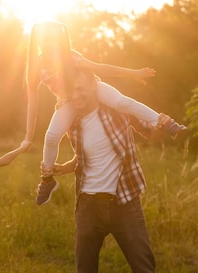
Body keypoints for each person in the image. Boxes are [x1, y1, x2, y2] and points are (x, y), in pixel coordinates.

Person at [24, 20, 187, 205]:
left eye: (53, 40)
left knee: (121, 102)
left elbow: (103, 68)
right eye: (46, 41)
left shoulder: (70, 56)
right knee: (51, 137)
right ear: (39, 42)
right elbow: (32, 102)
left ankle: (166, 123)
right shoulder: (36, 66)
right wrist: (28, 138)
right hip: (67, 101)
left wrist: (134, 74)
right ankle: (47, 181)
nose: (50, 45)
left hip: (93, 88)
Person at [52, 67, 173, 273]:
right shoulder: (73, 119)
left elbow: (150, 133)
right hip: (88, 206)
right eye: (72, 91)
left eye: (81, 89)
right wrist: (65, 168)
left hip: (124, 203)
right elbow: (86, 155)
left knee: (144, 267)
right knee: (85, 269)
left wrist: (161, 125)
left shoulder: (119, 108)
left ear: (94, 86)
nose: (76, 95)